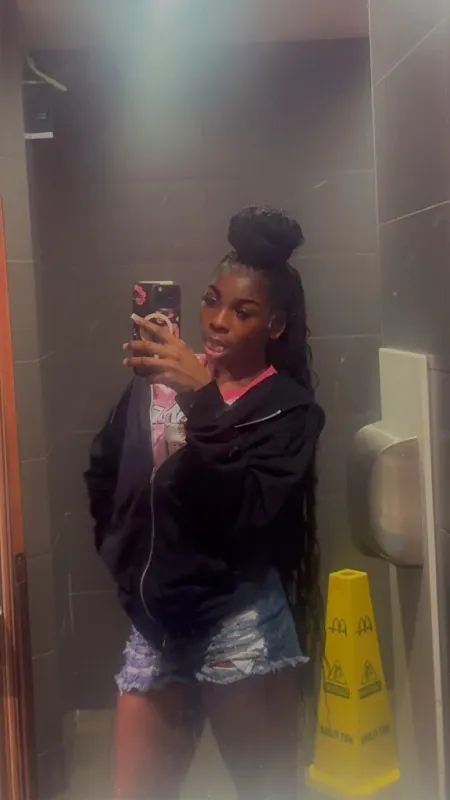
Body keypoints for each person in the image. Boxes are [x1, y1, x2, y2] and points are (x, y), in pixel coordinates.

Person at [85, 207, 325, 800]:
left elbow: (248, 509)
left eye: (243, 311)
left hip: (239, 624)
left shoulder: (288, 409)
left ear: (274, 324)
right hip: (157, 626)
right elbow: (106, 468)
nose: (218, 322)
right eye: (212, 301)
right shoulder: (160, 379)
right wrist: (125, 560)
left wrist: (202, 398)